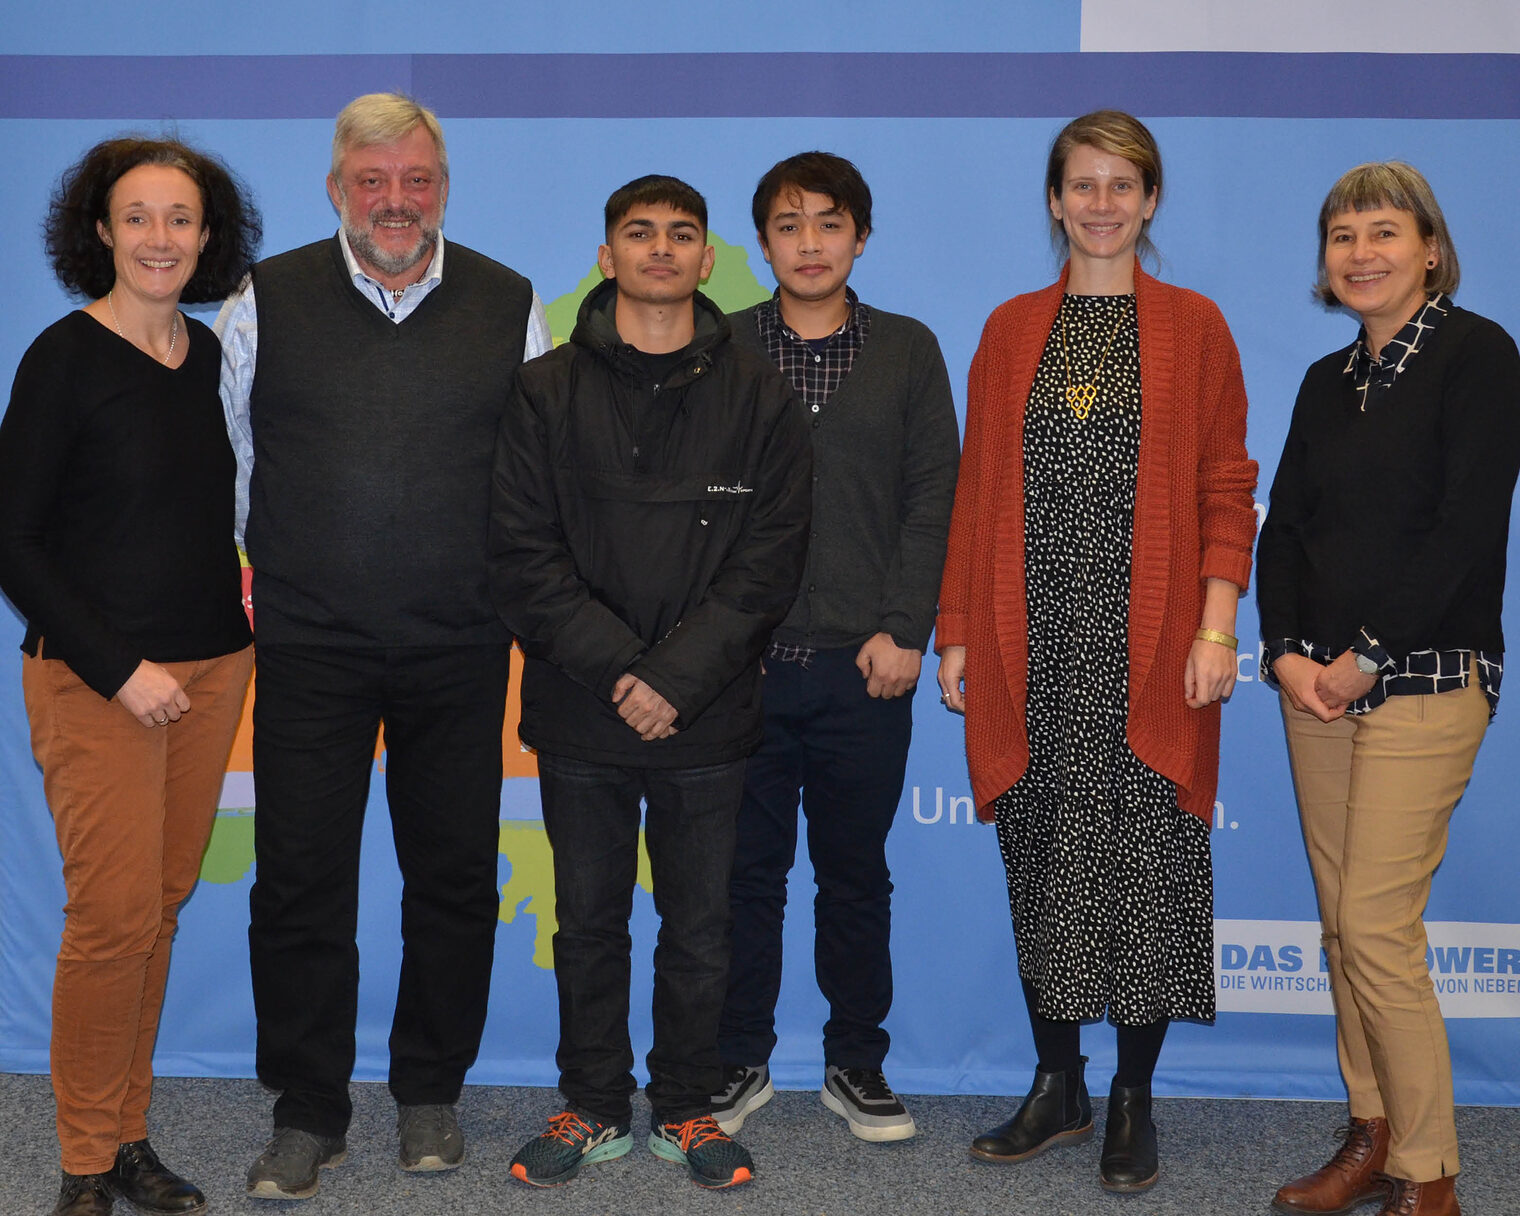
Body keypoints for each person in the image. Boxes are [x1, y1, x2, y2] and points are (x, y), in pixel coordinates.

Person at [217, 93, 552, 1201]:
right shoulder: (262, 302)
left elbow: (533, 481)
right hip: (311, 646)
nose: (395, 202)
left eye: (415, 181)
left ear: (442, 189)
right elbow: (232, 469)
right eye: (372, 182)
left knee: (450, 878)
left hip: (459, 645)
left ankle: (427, 1090)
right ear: (336, 190)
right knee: (301, 881)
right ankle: (308, 1108)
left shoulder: (513, 304)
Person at [934, 110, 1256, 1193]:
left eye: (1123, 185)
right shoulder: (1010, 328)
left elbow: (1224, 489)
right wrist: (959, 635)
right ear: (1054, 199)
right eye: (1082, 185)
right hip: (1035, 647)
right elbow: (976, 493)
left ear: (1151, 200)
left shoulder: (1193, 326)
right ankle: (1057, 1081)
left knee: (1150, 873)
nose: (1102, 204)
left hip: (1155, 647)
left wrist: (1215, 628)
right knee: (1042, 863)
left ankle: (1129, 1095)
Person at [490, 174, 810, 1191]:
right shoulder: (542, 391)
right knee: (585, 921)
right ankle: (590, 1105)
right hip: (582, 706)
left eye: (681, 235)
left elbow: (770, 557)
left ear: (707, 260)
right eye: (639, 234)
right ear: (605, 257)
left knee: (699, 926)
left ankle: (684, 1105)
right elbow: (521, 556)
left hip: (709, 709)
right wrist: (627, 672)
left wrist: (673, 676)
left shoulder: (758, 390)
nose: (661, 250)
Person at [0, 136, 259, 1216]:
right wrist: (118, 669)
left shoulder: (210, 357)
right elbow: (13, 539)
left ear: (207, 237)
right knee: (108, 919)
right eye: (139, 216)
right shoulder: (64, 358)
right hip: (100, 681)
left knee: (155, 911)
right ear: (99, 231)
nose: (161, 237)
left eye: (181, 218)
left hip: (214, 673)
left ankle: (131, 1133)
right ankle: (82, 1158)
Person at [1258, 162, 1520, 1216]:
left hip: (1421, 674)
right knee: (1337, 923)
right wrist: (1280, 648)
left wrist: (1362, 652)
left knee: (1373, 925)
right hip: (1310, 685)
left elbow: (1464, 529)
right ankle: (1366, 1131)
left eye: (1381, 231)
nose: (1358, 252)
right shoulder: (1326, 380)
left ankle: (1429, 1174)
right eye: (1339, 235)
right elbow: (1284, 528)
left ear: (1428, 251)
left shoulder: (1477, 354)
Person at [712, 151, 959, 1143]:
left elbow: (930, 496)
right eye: (786, 223)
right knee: (743, 873)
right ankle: (739, 1054)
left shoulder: (905, 349)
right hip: (743, 671)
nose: (807, 243)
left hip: (868, 667)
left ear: (860, 235)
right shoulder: (717, 347)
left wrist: (905, 629)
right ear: (761, 239)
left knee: (854, 873)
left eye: (827, 223)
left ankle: (856, 1061)